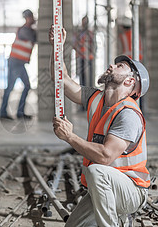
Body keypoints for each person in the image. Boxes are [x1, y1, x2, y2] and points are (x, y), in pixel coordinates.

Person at [49, 25, 150, 227]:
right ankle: (119, 218)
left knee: (97, 170)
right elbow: (61, 80)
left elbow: (105, 156)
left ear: (130, 81)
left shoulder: (128, 114)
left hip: (131, 189)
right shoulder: (96, 99)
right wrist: (57, 47)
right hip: (107, 185)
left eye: (120, 66)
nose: (112, 66)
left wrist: (70, 137)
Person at [0, 9, 36, 120]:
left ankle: (18, 112)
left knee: (24, 86)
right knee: (11, 87)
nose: (32, 19)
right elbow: (34, 37)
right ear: (27, 18)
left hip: (18, 63)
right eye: (30, 17)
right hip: (16, 62)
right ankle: (5, 113)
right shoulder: (24, 30)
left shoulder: (28, 30)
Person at [73, 15, 94, 87]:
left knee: (89, 75)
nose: (84, 24)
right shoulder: (79, 34)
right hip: (81, 57)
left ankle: (89, 88)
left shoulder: (90, 33)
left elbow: (93, 45)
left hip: (88, 57)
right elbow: (75, 44)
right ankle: (82, 89)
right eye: (83, 22)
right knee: (81, 75)